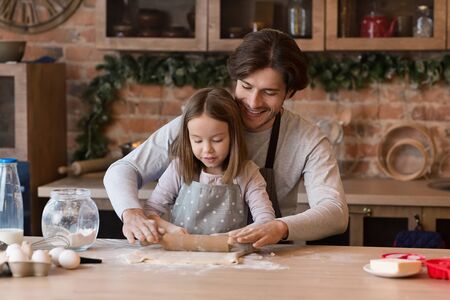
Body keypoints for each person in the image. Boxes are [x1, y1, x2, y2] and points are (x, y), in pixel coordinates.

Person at [104, 28, 348, 247]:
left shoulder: (307, 139)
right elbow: (123, 169)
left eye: (269, 92)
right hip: (189, 257)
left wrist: (280, 227)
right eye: (246, 86)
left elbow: (335, 212)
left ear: (290, 92)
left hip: (271, 260)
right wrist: (132, 213)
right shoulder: (200, 123)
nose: (253, 102)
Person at [141, 88, 275, 239]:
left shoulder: (247, 173)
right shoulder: (179, 168)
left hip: (229, 257)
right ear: (188, 138)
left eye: (217, 140)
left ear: (233, 136)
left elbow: (266, 220)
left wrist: (236, 237)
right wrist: (170, 229)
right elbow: (150, 211)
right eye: (197, 140)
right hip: (184, 256)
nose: (207, 150)